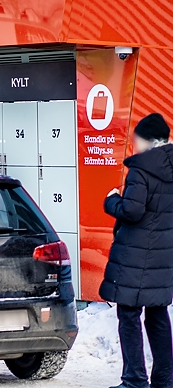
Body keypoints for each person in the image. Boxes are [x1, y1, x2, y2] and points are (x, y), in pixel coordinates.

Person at [101, 113, 173, 388]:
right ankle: (165, 380)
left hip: (136, 256)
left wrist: (112, 201)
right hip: (163, 256)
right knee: (157, 315)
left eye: (137, 139)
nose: (134, 145)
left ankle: (134, 380)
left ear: (147, 141)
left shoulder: (141, 169)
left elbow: (132, 210)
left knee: (129, 315)